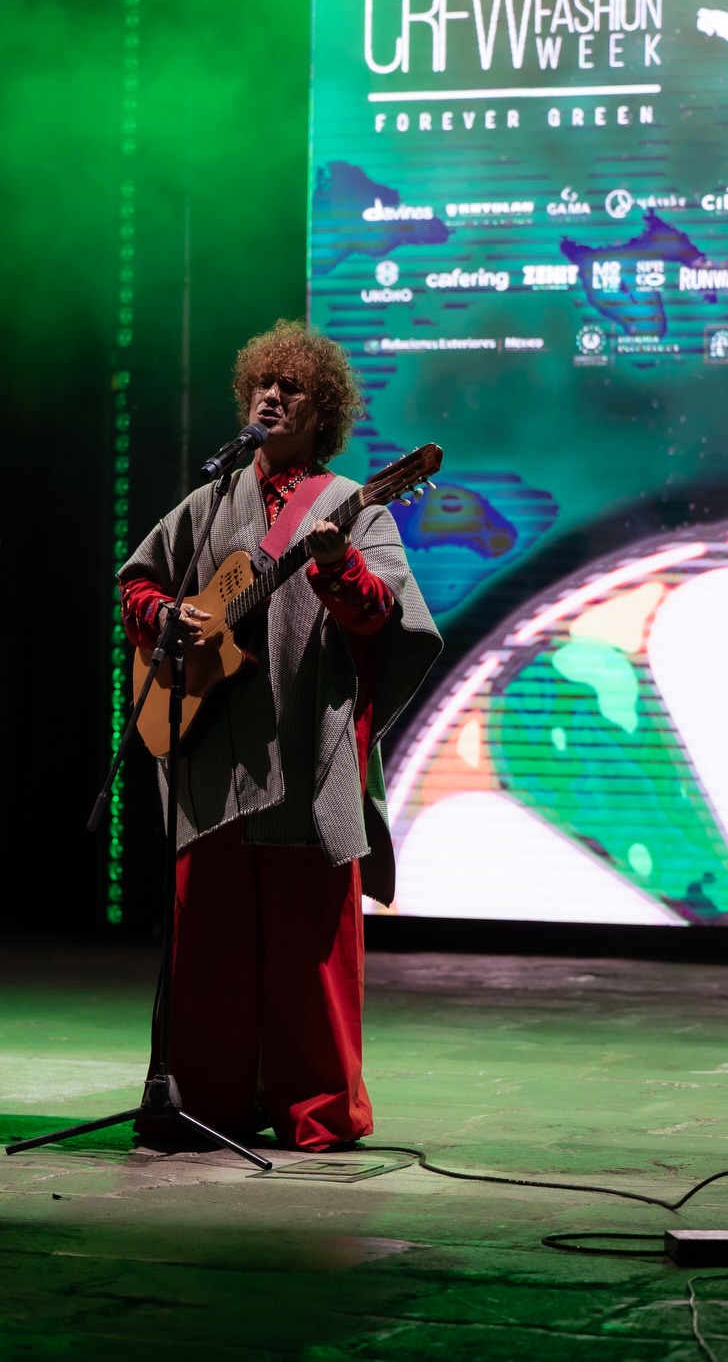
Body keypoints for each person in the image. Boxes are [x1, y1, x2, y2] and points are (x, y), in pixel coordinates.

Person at [118, 321, 441, 1151]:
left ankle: (319, 1109)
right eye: (262, 383)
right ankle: (204, 1100)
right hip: (213, 749)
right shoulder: (210, 502)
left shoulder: (352, 503)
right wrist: (171, 616)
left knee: (309, 948)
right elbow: (138, 584)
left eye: (290, 387)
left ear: (321, 408)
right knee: (209, 945)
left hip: (302, 747)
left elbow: (381, 615)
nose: (270, 395)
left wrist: (335, 566)